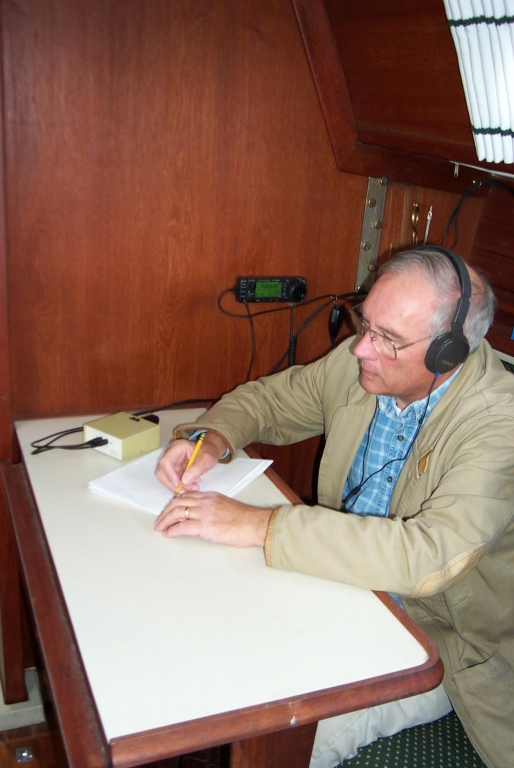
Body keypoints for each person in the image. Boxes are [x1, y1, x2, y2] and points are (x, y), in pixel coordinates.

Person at [154, 248, 514, 768]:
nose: (361, 347)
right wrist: (212, 437)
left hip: (436, 636)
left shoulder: (499, 423)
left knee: (283, 739)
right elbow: (270, 401)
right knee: (192, 634)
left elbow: (430, 557)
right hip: (335, 583)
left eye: (388, 339)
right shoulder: (360, 363)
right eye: (364, 322)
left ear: (447, 353)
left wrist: (262, 525)